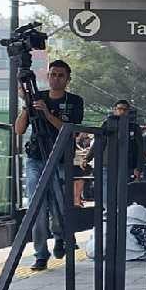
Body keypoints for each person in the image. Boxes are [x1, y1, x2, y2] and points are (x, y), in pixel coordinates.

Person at [14, 59, 84, 270]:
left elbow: (71, 130)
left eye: (60, 75)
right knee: (37, 206)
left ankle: (62, 236)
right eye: (52, 74)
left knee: (59, 205)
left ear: (67, 79)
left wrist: (47, 113)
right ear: (47, 76)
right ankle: (40, 254)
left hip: (60, 159)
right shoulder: (36, 97)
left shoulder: (74, 101)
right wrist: (28, 106)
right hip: (36, 158)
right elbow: (18, 129)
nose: (55, 79)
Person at [82, 99, 143, 209]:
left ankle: (120, 214)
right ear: (114, 110)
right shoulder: (107, 124)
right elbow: (99, 143)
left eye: (125, 109)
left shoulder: (134, 127)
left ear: (128, 111)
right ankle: (107, 213)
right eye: (120, 109)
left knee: (122, 193)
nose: (122, 111)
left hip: (127, 165)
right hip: (107, 164)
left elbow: (140, 149)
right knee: (105, 192)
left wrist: (138, 167)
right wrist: (87, 158)